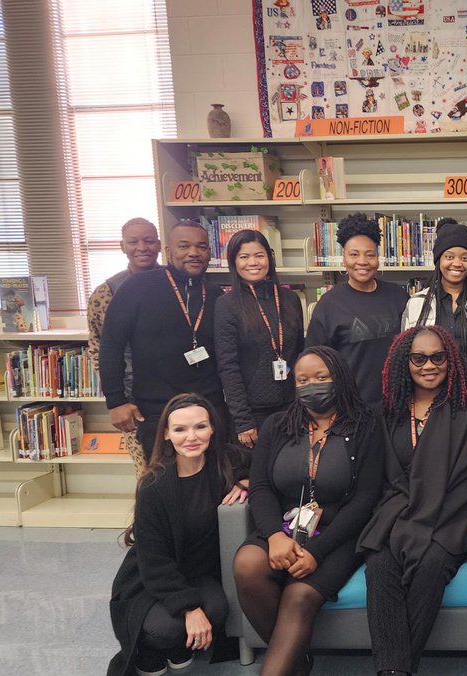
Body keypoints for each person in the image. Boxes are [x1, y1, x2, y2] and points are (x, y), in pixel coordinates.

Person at [233, 346, 384, 676]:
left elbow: (365, 500)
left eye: (320, 377)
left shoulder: (366, 425)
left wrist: (317, 551)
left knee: (299, 594)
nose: (311, 385)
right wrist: (274, 536)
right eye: (302, 380)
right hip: (285, 526)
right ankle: (296, 662)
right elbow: (260, 487)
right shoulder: (277, 425)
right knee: (247, 564)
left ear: (339, 378)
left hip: (339, 534)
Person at [357, 325, 467, 676]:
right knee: (379, 563)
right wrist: (408, 511)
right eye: (418, 358)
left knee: (431, 564)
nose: (429, 365)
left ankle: (396, 669)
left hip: (453, 514)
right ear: (404, 362)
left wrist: (429, 513)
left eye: (438, 357)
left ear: (451, 360)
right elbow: (382, 477)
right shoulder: (388, 412)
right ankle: (396, 671)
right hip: (398, 511)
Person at [107, 393, 248, 676]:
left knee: (218, 609)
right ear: (166, 434)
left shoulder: (225, 461)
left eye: (200, 426)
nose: (191, 437)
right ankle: (153, 650)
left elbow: (264, 463)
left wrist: (247, 481)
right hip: (150, 577)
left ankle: (180, 645)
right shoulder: (154, 486)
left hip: (196, 572)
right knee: (165, 628)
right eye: (180, 429)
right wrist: (190, 609)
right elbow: (155, 563)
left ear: (212, 429)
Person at [101, 220, 226, 454]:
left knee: (215, 474)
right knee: (164, 474)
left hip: (209, 407)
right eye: (184, 246)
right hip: (156, 410)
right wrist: (116, 401)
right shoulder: (136, 287)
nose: (193, 253)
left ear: (209, 252)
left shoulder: (216, 294)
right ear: (168, 251)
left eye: (201, 247)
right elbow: (110, 346)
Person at [400, 219, 467, 411]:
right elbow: (404, 358)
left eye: (465, 258)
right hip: (431, 405)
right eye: (449, 257)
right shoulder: (416, 304)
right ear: (438, 260)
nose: (457, 263)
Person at [306, 213, 410, 412]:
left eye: (370, 255)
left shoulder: (398, 296)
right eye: (354, 254)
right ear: (344, 258)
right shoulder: (329, 304)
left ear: (378, 258)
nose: (362, 261)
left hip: (397, 407)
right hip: (350, 409)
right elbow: (315, 361)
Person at [215, 229, 304, 448]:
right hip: (253, 414)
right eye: (244, 257)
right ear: (234, 262)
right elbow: (228, 366)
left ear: (269, 258)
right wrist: (243, 420)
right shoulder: (227, 305)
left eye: (259, 255)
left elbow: (300, 352)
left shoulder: (290, 299)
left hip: (292, 407)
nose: (253, 263)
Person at [87, 217, 162, 474]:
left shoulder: (173, 282)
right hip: (134, 398)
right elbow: (99, 347)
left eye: (149, 241)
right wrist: (117, 400)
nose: (142, 247)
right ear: (122, 246)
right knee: (148, 471)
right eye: (133, 242)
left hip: (176, 392)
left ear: (159, 245)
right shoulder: (107, 292)